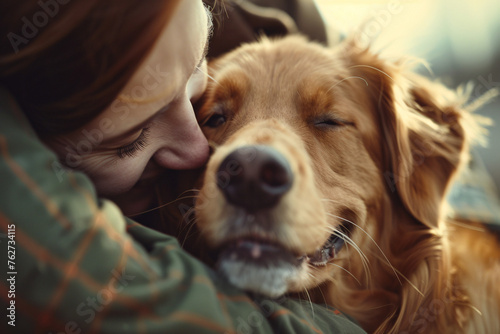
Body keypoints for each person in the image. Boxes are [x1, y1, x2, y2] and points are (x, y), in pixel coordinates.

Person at [0, 0, 366, 333]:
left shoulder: (288, 25)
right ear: (42, 151)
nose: (199, 152)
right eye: (132, 140)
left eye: (196, 90)